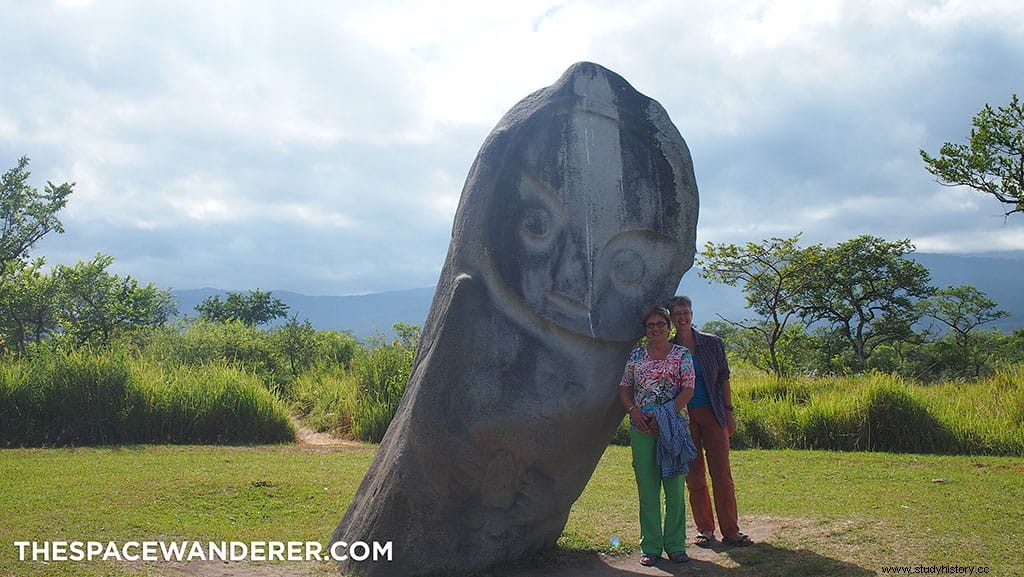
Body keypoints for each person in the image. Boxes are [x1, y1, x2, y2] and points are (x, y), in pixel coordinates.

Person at [668, 295, 753, 547]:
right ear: (671, 318)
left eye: (685, 312)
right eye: (677, 314)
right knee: (694, 475)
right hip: (685, 418)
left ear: (692, 314)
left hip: (714, 413)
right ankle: (705, 529)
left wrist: (729, 412)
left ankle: (731, 531)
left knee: (722, 474)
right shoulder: (670, 349)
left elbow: (724, 379)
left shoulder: (712, 343)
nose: (682, 317)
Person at [618, 305, 696, 566]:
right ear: (645, 329)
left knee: (674, 489)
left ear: (668, 326)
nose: (656, 329)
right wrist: (634, 412)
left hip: (672, 429)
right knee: (648, 490)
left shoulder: (681, 355)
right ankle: (650, 547)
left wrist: (664, 416)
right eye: (651, 325)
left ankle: (675, 545)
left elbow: (688, 389)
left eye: (660, 324)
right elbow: (625, 389)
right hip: (642, 430)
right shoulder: (636, 356)